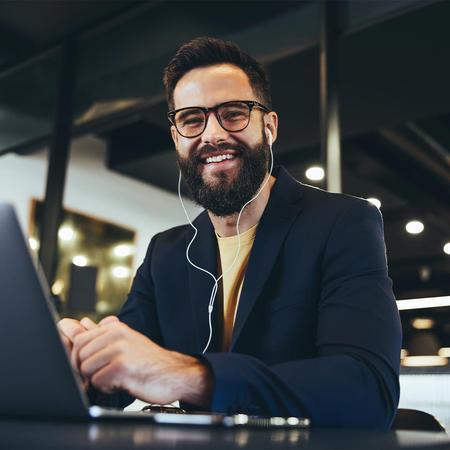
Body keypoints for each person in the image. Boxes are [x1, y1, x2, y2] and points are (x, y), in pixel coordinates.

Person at [58, 36, 402, 428]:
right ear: (176, 138)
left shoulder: (343, 223)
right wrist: (77, 363)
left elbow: (367, 390)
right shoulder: (167, 252)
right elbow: (119, 377)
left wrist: (188, 375)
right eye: (192, 119)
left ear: (269, 127)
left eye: (233, 113)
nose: (212, 135)